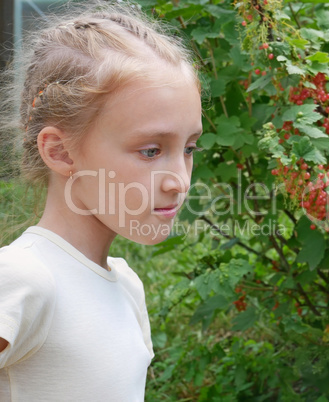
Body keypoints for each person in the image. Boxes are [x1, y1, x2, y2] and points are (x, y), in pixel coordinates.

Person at [0, 2, 202, 401]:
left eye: (190, 148)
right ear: (61, 152)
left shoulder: (126, 286)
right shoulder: (25, 277)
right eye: (150, 151)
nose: (179, 180)